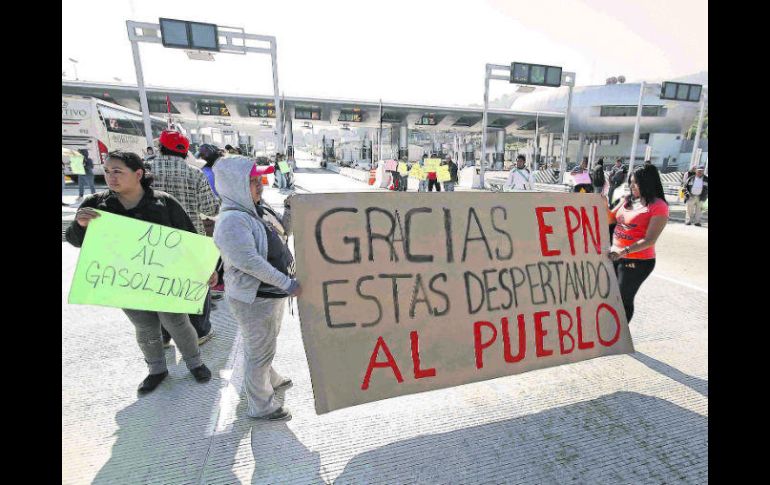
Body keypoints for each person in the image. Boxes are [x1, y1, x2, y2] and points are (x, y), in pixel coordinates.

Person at [65, 151, 214, 394]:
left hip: (165, 281)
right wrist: (79, 225)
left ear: (138, 174)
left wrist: (204, 269)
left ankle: (195, 364)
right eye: (108, 171)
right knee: (144, 326)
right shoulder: (96, 205)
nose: (111, 177)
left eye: (118, 171)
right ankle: (156, 370)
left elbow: (189, 238)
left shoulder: (164, 202)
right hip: (127, 282)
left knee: (176, 322)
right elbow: (74, 240)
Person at [212, 156, 301, 421]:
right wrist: (287, 283)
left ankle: (270, 379)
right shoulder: (232, 221)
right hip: (255, 298)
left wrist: (289, 209)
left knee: (266, 343)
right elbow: (249, 262)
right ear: (234, 185)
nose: (259, 185)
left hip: (270, 294)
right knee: (259, 350)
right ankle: (262, 405)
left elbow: (284, 231)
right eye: (252, 181)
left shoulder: (257, 209)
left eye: (259, 179)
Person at [146, 130, 219, 346]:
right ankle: (200, 332)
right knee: (197, 285)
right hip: (190, 236)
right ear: (186, 151)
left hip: (152, 238)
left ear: (160, 147)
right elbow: (210, 208)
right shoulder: (195, 174)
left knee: (157, 286)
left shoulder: (144, 171)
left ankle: (164, 335)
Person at [609, 164, 669, 323]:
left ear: (647, 182)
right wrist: (599, 202)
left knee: (623, 299)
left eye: (636, 182)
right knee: (610, 295)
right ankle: (611, 334)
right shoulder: (627, 200)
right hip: (615, 255)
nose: (631, 186)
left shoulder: (659, 207)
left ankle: (620, 338)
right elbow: (609, 218)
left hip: (638, 260)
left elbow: (650, 240)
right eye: (630, 182)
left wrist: (623, 251)